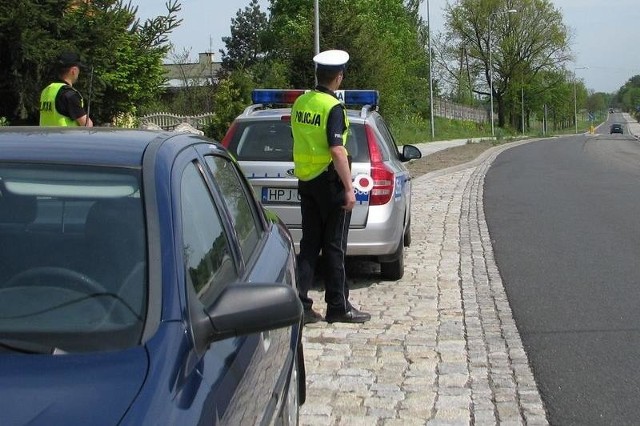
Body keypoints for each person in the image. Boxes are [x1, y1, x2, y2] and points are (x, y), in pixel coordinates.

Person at [291, 49, 371, 325]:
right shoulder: (332, 106)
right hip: (329, 181)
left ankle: (301, 304)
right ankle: (338, 306)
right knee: (335, 245)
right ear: (338, 77)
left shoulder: (301, 102)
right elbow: (337, 150)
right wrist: (349, 189)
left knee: (310, 244)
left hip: (306, 180)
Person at [39, 52, 93, 127]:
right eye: (79, 69)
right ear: (73, 71)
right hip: (65, 138)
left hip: (44, 138)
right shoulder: (69, 95)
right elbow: (87, 125)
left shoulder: (46, 90)